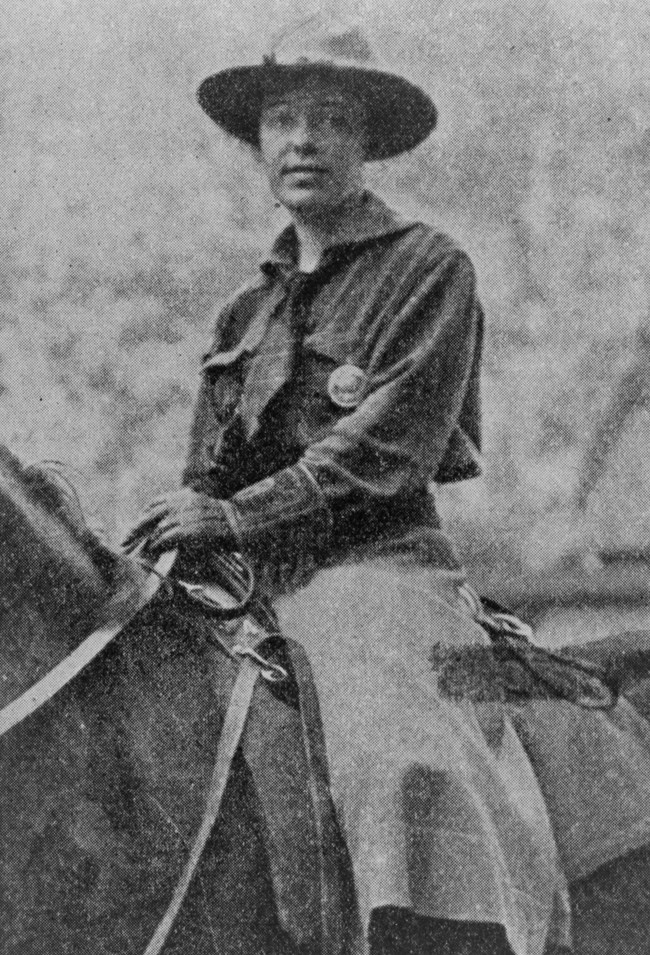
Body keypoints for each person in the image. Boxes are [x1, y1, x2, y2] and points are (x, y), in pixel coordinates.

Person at [124, 21, 572, 955]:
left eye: (331, 120)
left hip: (376, 569)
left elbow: (387, 448)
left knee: (392, 753)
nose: (302, 141)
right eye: (283, 121)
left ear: (366, 142)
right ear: (259, 145)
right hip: (244, 580)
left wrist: (237, 514)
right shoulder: (245, 310)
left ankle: (445, 936)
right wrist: (177, 535)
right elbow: (207, 467)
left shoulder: (429, 268)